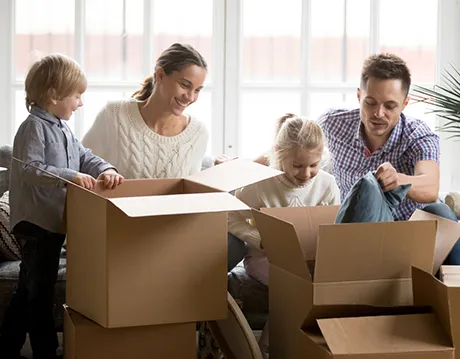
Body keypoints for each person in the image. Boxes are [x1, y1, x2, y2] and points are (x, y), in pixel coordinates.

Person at [0, 54, 124, 359]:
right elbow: (30, 168)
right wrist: (71, 177)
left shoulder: (64, 129)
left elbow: (85, 156)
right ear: (54, 96)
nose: (80, 103)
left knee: (30, 287)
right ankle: (46, 350)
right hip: (35, 222)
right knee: (40, 291)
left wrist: (105, 169)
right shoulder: (33, 128)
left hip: (53, 222)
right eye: (77, 95)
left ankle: (7, 345)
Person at [318, 52, 460, 264]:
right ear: (359, 96)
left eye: (390, 106)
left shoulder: (418, 135)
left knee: (441, 212)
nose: (378, 113)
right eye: (371, 103)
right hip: (357, 231)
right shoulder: (333, 124)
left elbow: (430, 186)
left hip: (409, 236)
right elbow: (292, 146)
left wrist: (398, 180)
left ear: (405, 103)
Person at [228, 114, 340, 358]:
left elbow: (335, 228)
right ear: (279, 153)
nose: (306, 173)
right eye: (298, 165)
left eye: (314, 165)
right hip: (265, 258)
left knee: (311, 283)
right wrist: (260, 239)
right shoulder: (258, 184)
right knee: (296, 286)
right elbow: (230, 217)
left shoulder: (328, 184)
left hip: (309, 258)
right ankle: (269, 348)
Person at [82, 43, 209, 179]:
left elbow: (192, 193)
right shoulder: (114, 115)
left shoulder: (197, 133)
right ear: (160, 75)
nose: (190, 97)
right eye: (185, 85)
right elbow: (80, 165)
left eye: (197, 90)